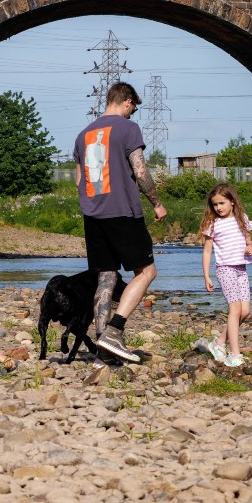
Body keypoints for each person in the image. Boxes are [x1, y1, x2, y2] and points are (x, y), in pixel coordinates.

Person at [74, 81, 167, 363]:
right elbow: (140, 170)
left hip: (93, 213)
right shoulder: (128, 129)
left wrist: (89, 206)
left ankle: (103, 339)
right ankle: (115, 330)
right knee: (147, 272)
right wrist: (157, 202)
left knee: (106, 275)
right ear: (126, 101)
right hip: (123, 212)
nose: (132, 113)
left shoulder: (83, 135)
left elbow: (80, 180)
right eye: (133, 108)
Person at [197, 183, 252, 367]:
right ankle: (234, 354)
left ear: (232, 201)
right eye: (215, 205)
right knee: (235, 309)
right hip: (225, 269)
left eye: (222, 203)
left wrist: (250, 245)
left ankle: (219, 343)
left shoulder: (241, 219)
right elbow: (207, 252)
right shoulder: (212, 225)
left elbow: (248, 238)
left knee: (245, 312)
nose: (218, 208)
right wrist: (206, 276)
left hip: (241, 268)